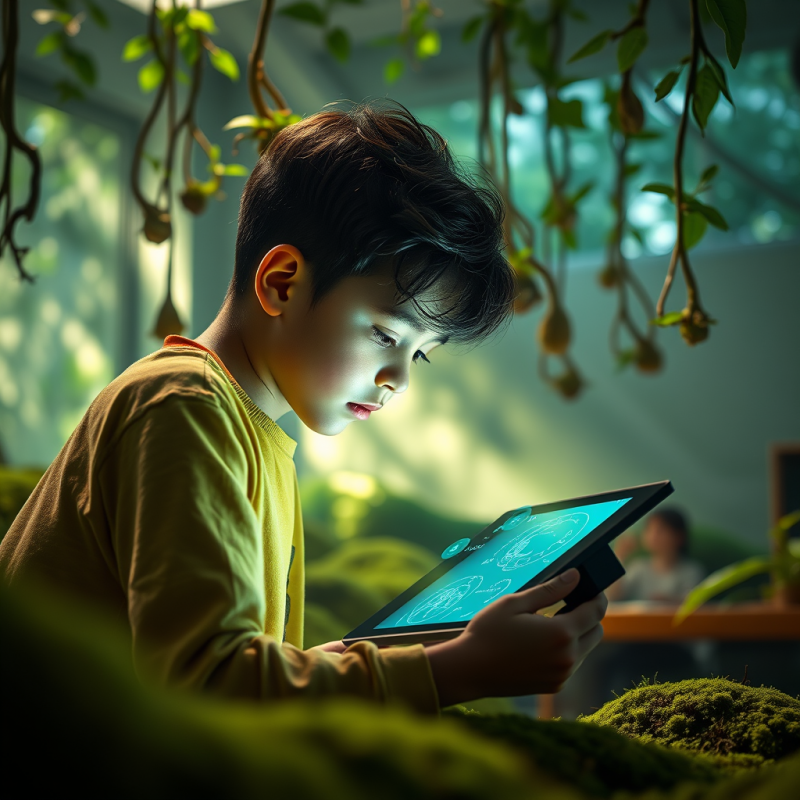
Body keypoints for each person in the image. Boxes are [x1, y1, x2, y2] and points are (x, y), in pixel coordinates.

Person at [0, 100, 607, 713]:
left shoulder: (248, 432)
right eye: (386, 335)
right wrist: (453, 672)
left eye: (421, 355)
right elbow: (205, 682)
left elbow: (237, 667)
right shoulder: (182, 407)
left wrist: (440, 652)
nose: (398, 378)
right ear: (281, 283)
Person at [609, 507, 705, 603]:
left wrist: (668, 602)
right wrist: (620, 555)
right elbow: (612, 597)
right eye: (649, 529)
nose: (653, 535)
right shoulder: (639, 567)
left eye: (660, 530)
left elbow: (693, 604)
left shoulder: (692, 571)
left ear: (679, 536)